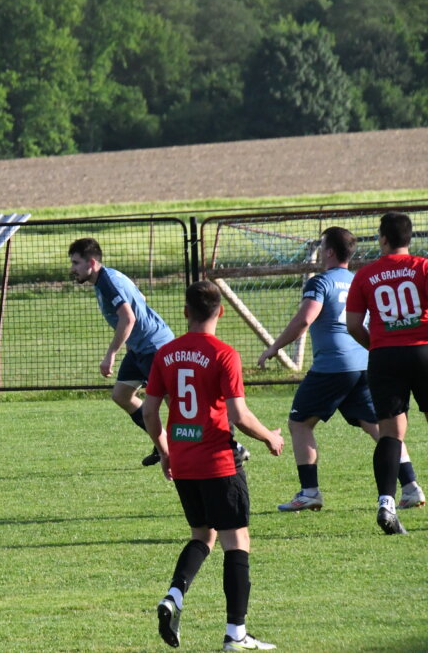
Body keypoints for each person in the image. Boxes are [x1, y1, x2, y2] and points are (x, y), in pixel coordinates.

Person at [143, 280, 283, 651]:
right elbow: (239, 415)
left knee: (203, 536)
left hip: (184, 461)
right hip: (219, 462)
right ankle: (236, 634)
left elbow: (149, 410)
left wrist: (165, 451)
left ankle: (173, 596)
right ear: (220, 311)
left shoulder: (165, 354)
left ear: (185, 312)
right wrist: (270, 437)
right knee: (236, 540)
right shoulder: (224, 354)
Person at [258, 226, 424, 512]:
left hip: (333, 366)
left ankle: (309, 491)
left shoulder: (320, 282)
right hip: (363, 363)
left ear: (330, 252)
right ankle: (410, 487)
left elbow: (304, 320)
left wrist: (274, 347)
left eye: (323, 246)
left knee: (300, 423)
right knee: (382, 428)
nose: (320, 252)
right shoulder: (357, 279)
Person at [69, 237, 249, 466]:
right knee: (122, 395)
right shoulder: (110, 276)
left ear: (92, 263)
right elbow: (140, 298)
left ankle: (232, 446)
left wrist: (111, 354)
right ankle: (162, 442)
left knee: (178, 405)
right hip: (139, 348)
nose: (72, 268)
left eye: (76, 263)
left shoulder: (108, 282)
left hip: (154, 347)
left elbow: (128, 318)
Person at [346, 211, 428, 535]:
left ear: (382, 239)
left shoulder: (366, 274)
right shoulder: (422, 267)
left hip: (384, 357)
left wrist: (378, 345)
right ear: (409, 237)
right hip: (423, 350)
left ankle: (386, 503)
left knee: (391, 433)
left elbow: (353, 324)